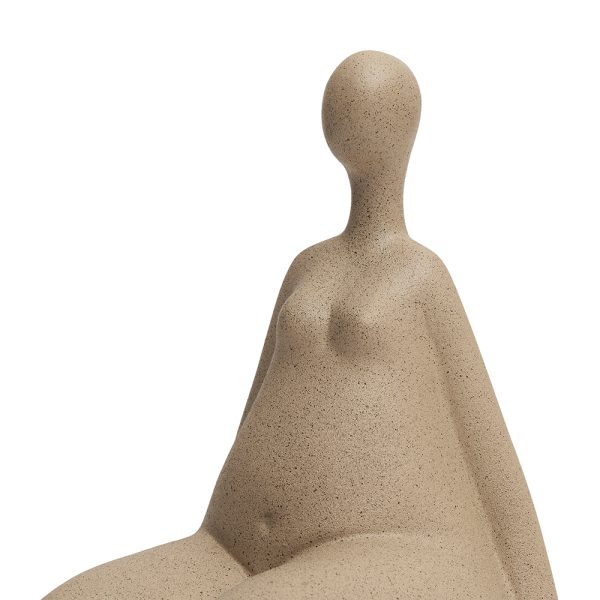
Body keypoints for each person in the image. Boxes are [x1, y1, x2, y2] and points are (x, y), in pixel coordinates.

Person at [45, 50, 556, 600]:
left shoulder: (420, 275)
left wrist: (533, 587)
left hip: (393, 545)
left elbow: (487, 443)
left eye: (366, 104)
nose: (347, 113)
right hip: (231, 547)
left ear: (406, 128)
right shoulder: (306, 266)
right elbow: (258, 404)